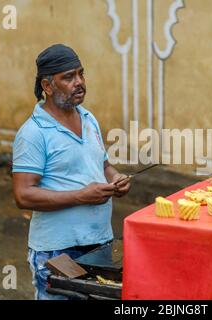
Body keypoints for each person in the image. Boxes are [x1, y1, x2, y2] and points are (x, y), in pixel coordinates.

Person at [12, 44, 130, 300]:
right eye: (68, 77)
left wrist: (116, 178)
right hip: (57, 253)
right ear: (47, 86)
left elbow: (103, 165)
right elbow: (23, 195)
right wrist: (81, 196)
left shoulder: (88, 119)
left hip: (100, 244)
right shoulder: (33, 133)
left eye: (80, 74)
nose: (79, 82)